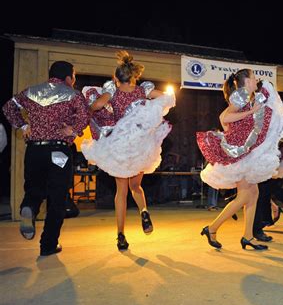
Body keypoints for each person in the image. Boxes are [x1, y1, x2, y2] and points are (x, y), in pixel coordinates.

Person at [81, 51, 175, 250]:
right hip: (141, 145)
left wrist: (89, 112)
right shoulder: (143, 91)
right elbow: (166, 98)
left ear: (116, 78)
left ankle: (121, 235)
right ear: (135, 76)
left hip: (121, 146)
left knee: (121, 192)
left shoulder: (113, 92)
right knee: (136, 187)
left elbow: (97, 105)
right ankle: (143, 211)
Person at [2, 61, 89, 256]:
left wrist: (24, 126)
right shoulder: (72, 94)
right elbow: (85, 115)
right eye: (74, 76)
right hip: (59, 151)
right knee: (57, 199)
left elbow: (8, 108)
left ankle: (28, 208)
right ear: (68, 77)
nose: (74, 80)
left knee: (34, 189)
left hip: (35, 151)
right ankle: (48, 245)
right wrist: (73, 130)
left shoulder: (31, 91)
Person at [196, 69, 283, 250]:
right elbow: (225, 117)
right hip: (240, 153)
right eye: (253, 77)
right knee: (246, 195)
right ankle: (212, 228)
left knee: (253, 194)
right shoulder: (241, 95)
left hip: (247, 152)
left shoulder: (251, 96)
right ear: (246, 81)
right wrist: (251, 111)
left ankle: (248, 236)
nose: (256, 80)